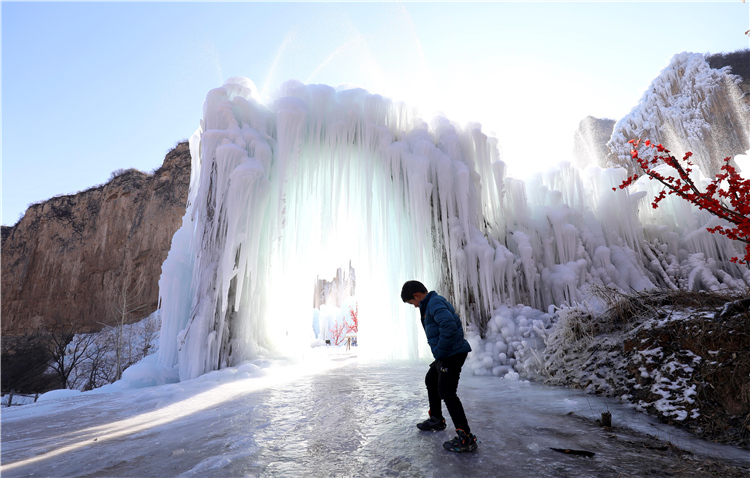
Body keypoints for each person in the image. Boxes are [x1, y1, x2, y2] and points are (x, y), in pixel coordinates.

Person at [401, 280, 478, 453]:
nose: (414, 306)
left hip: (452, 354)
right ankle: (436, 419)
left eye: (412, 303)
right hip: (447, 353)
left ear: (417, 296)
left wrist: (440, 352)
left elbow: (449, 326)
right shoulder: (430, 304)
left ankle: (465, 437)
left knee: (447, 392)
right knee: (431, 379)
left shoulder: (434, 303)